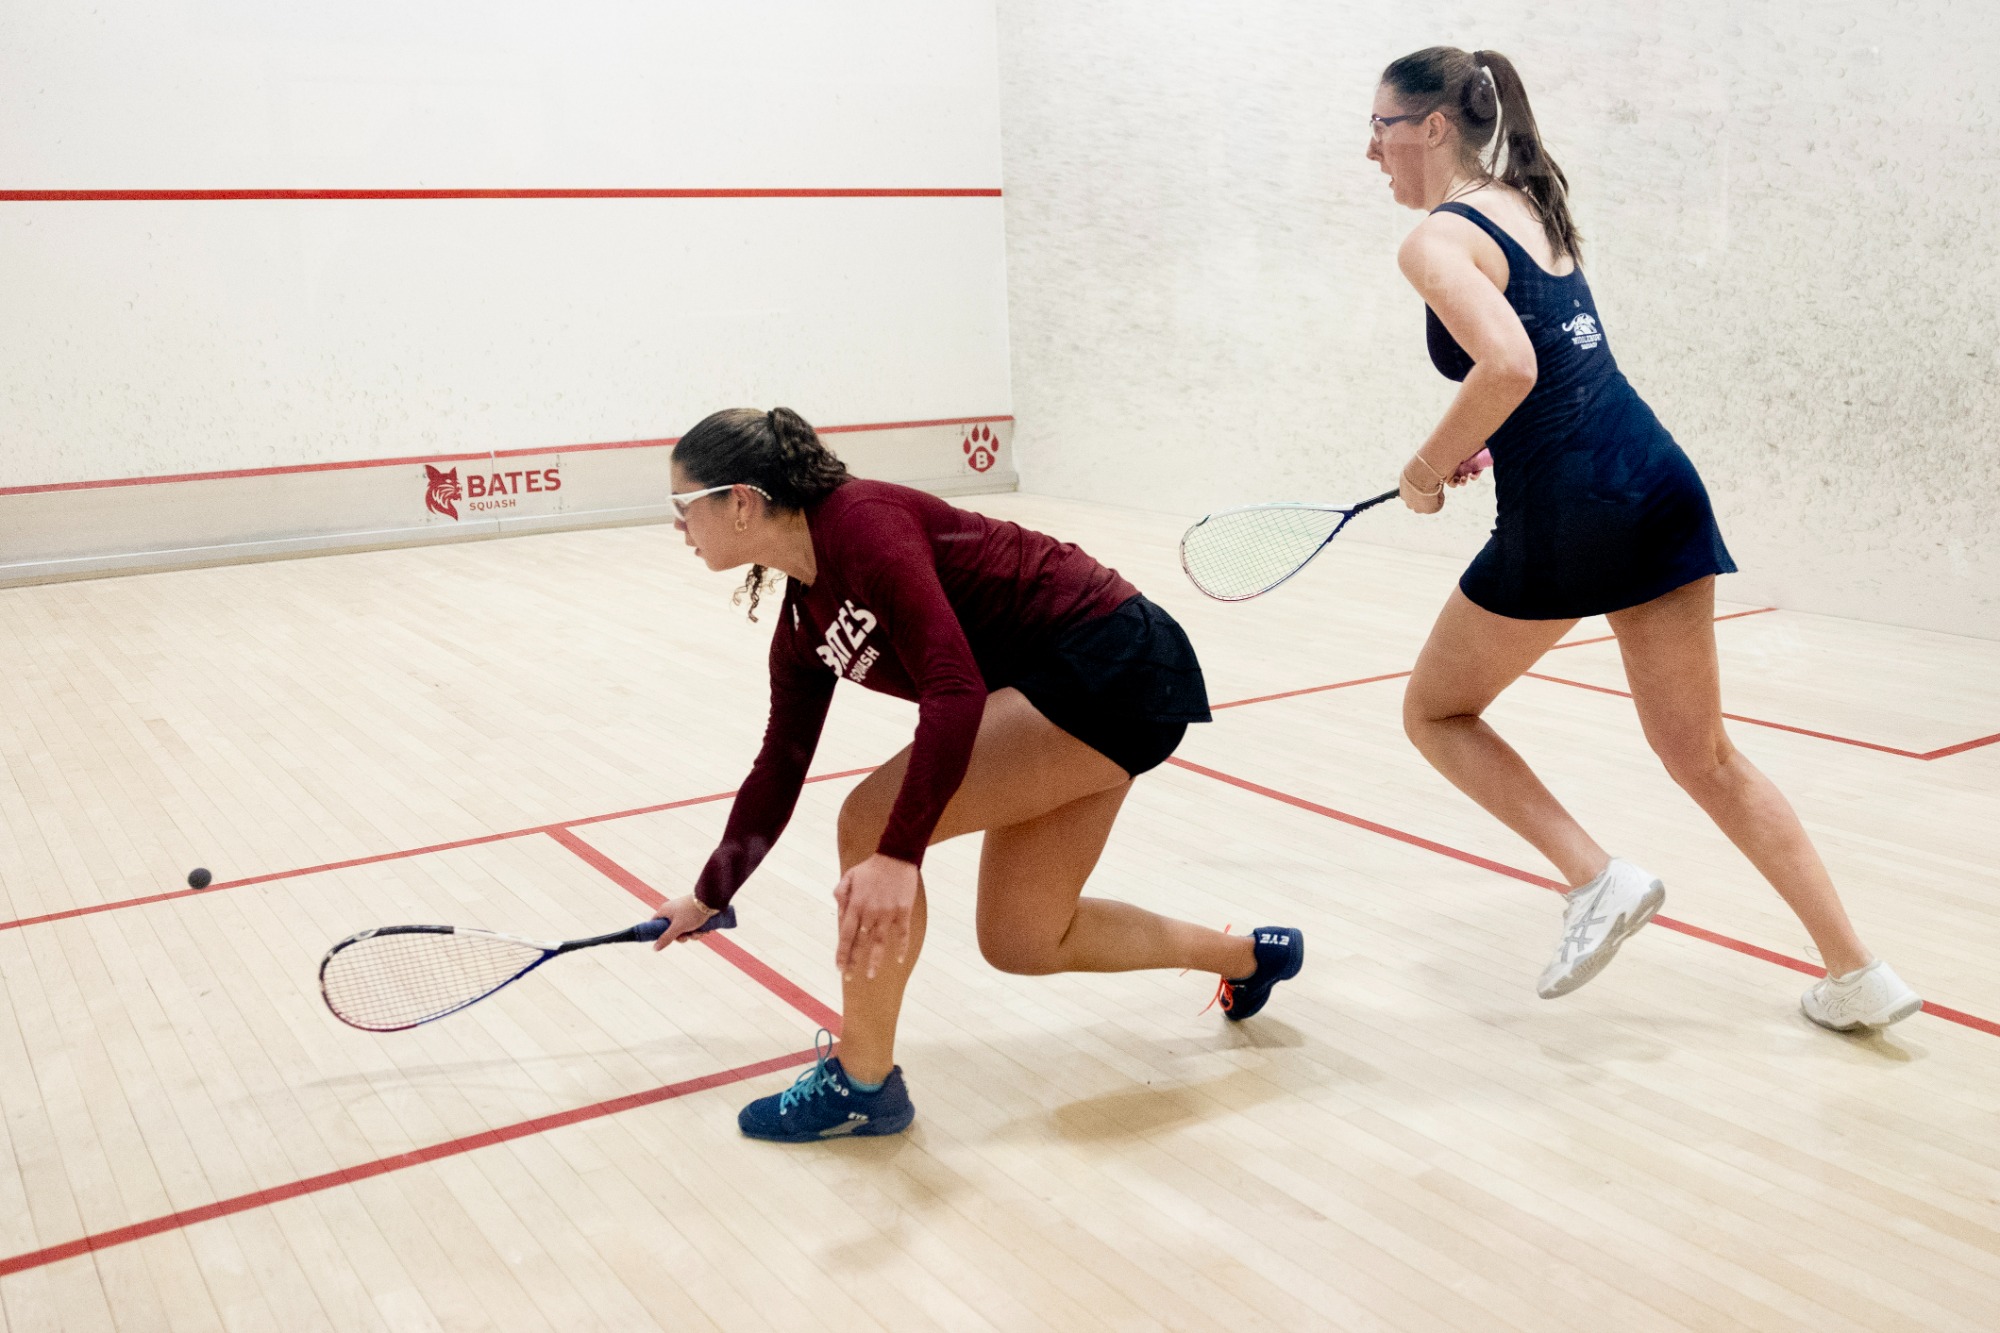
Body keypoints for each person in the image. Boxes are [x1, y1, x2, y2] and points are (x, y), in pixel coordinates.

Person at [1366, 46, 1919, 1030]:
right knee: (1702, 753)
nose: (1371, 153)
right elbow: (1553, 374)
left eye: (1379, 128)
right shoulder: (1523, 203)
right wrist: (1479, 443)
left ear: (1432, 128)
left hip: (1574, 514)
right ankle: (1857, 972)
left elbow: (1507, 367)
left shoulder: (1431, 244)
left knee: (1433, 714)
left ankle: (1593, 878)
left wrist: (1418, 471)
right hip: (1653, 479)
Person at [647, 407, 1304, 1140]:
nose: (679, 525)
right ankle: (1251, 957)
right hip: (1074, 684)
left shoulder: (860, 523)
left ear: (740, 500)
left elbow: (953, 688)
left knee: (868, 821)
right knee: (1024, 937)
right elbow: (781, 763)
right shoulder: (806, 619)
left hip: (1112, 661)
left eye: (684, 504)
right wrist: (709, 893)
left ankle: (864, 1081)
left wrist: (898, 852)